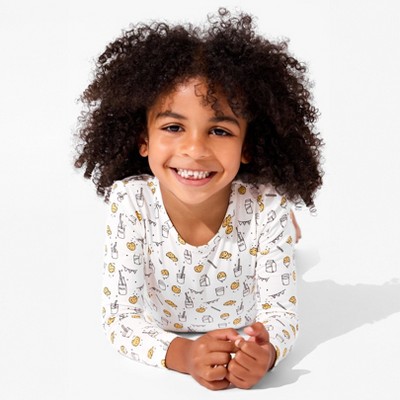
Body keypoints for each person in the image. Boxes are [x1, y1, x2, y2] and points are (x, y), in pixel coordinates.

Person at [73, 8, 323, 390]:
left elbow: (282, 314)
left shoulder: (267, 206)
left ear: (247, 146)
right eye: (174, 127)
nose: (194, 149)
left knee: (278, 221)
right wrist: (185, 355)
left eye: (220, 131)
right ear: (143, 139)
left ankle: (288, 231)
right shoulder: (131, 203)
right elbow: (121, 318)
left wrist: (267, 351)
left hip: (261, 220)